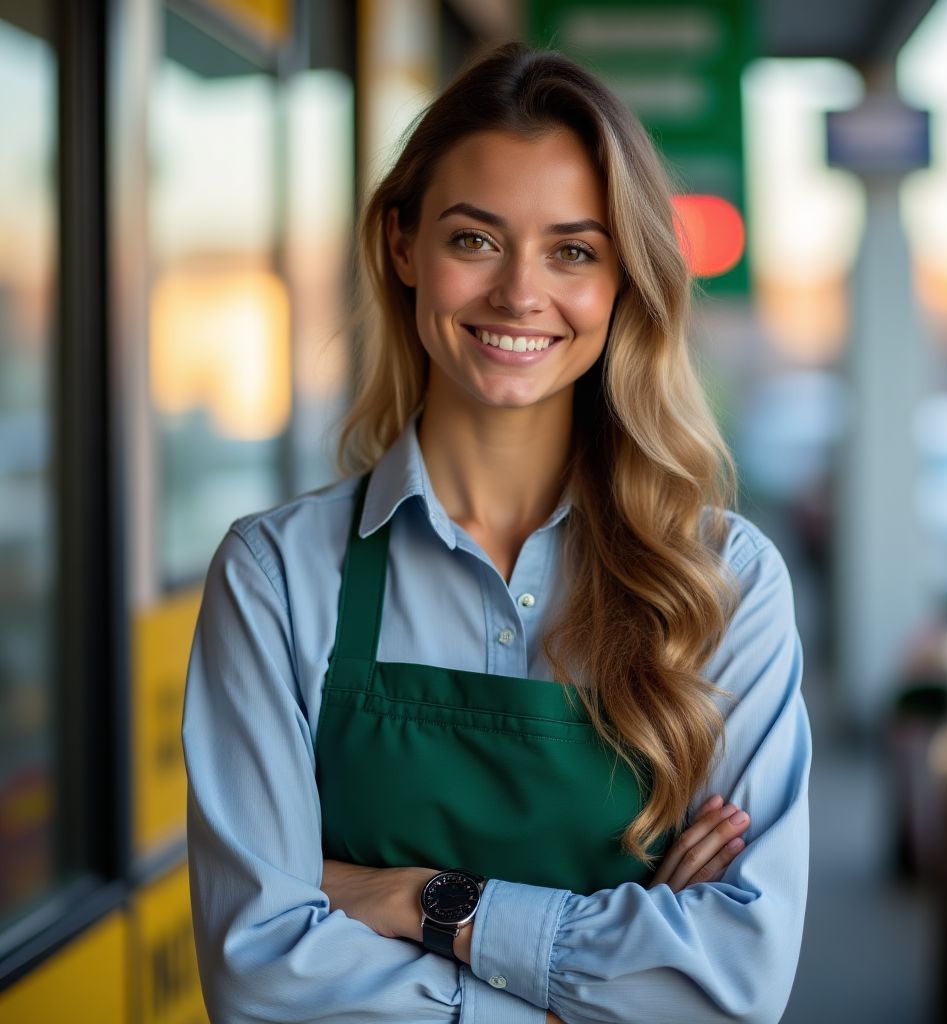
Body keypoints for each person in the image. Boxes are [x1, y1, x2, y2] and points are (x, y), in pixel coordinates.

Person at [183, 41, 811, 1024]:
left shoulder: (725, 583)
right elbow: (261, 980)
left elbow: (732, 985)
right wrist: (594, 985)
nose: (520, 293)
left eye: (573, 251)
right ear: (403, 246)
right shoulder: (277, 577)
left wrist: (423, 901)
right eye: (475, 239)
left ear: (624, 278)